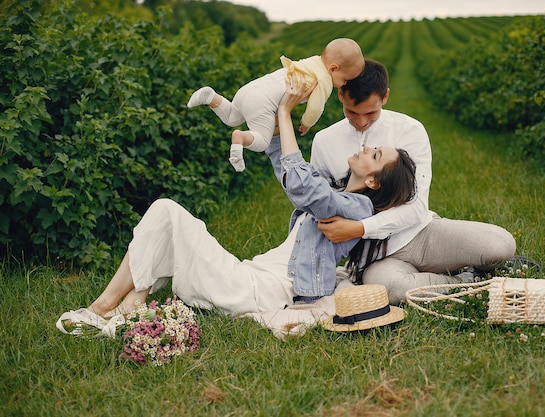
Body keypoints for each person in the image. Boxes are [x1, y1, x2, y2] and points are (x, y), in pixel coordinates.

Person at [57, 74, 416, 339]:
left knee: (167, 210)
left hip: (262, 290)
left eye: (375, 154)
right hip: (254, 276)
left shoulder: (358, 210)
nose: (366, 147)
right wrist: (276, 118)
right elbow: (290, 174)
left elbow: (306, 188)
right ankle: (128, 305)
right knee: (171, 222)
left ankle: (102, 308)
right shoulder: (337, 190)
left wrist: (287, 113)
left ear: (373, 181)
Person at [310, 59, 518, 305]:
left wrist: (360, 228)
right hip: (375, 257)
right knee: (389, 289)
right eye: (352, 112)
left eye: (370, 113)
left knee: (501, 245)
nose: (362, 122)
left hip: (420, 234)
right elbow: (316, 202)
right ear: (341, 94)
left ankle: (432, 273)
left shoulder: (410, 130)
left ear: (385, 97)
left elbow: (417, 206)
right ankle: (468, 279)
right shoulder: (324, 141)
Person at [187, 38, 365, 172]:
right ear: (333, 69)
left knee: (232, 117)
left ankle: (212, 97)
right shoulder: (324, 80)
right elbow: (316, 107)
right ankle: (240, 138)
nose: (343, 84)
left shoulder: (312, 61)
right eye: (345, 79)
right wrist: (307, 123)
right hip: (262, 102)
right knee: (263, 141)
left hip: (251, 88)